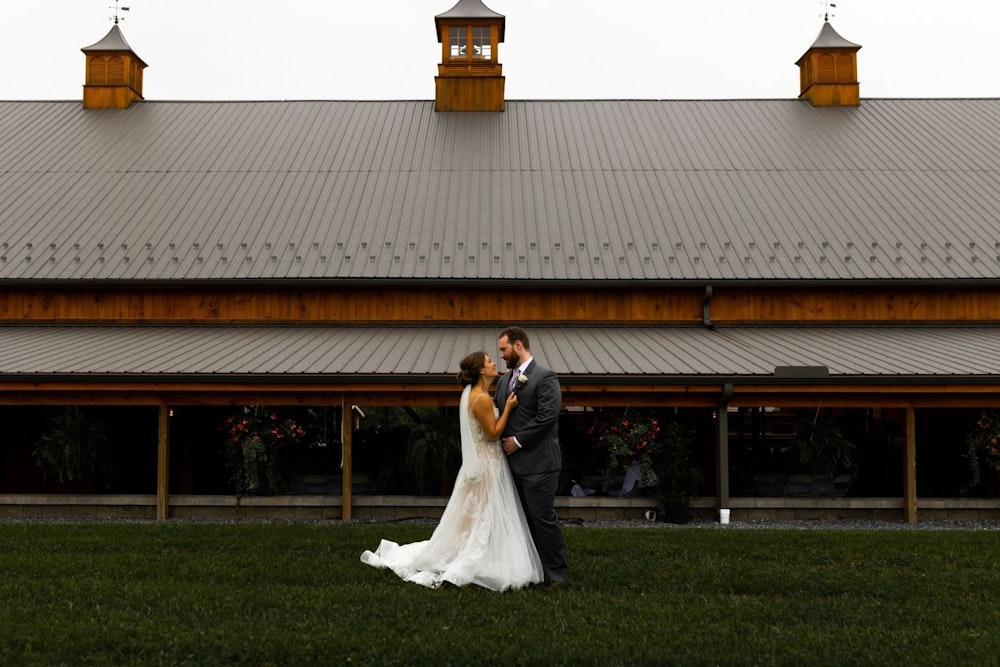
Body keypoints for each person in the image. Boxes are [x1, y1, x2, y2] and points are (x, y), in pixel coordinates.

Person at [360, 351, 544, 591]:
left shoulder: (476, 396)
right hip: (487, 463)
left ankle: (477, 550)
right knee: (485, 513)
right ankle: (475, 557)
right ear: (481, 370)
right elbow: (493, 434)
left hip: (482, 462)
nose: (493, 364)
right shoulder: (481, 400)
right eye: (489, 361)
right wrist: (508, 408)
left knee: (476, 515)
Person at [495, 327, 568, 584]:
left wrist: (518, 440)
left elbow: (547, 416)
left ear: (517, 346)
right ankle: (530, 571)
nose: (501, 355)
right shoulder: (504, 381)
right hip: (511, 466)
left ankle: (556, 573)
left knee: (542, 518)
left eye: (503, 349)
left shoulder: (545, 376)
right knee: (521, 521)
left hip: (540, 463)